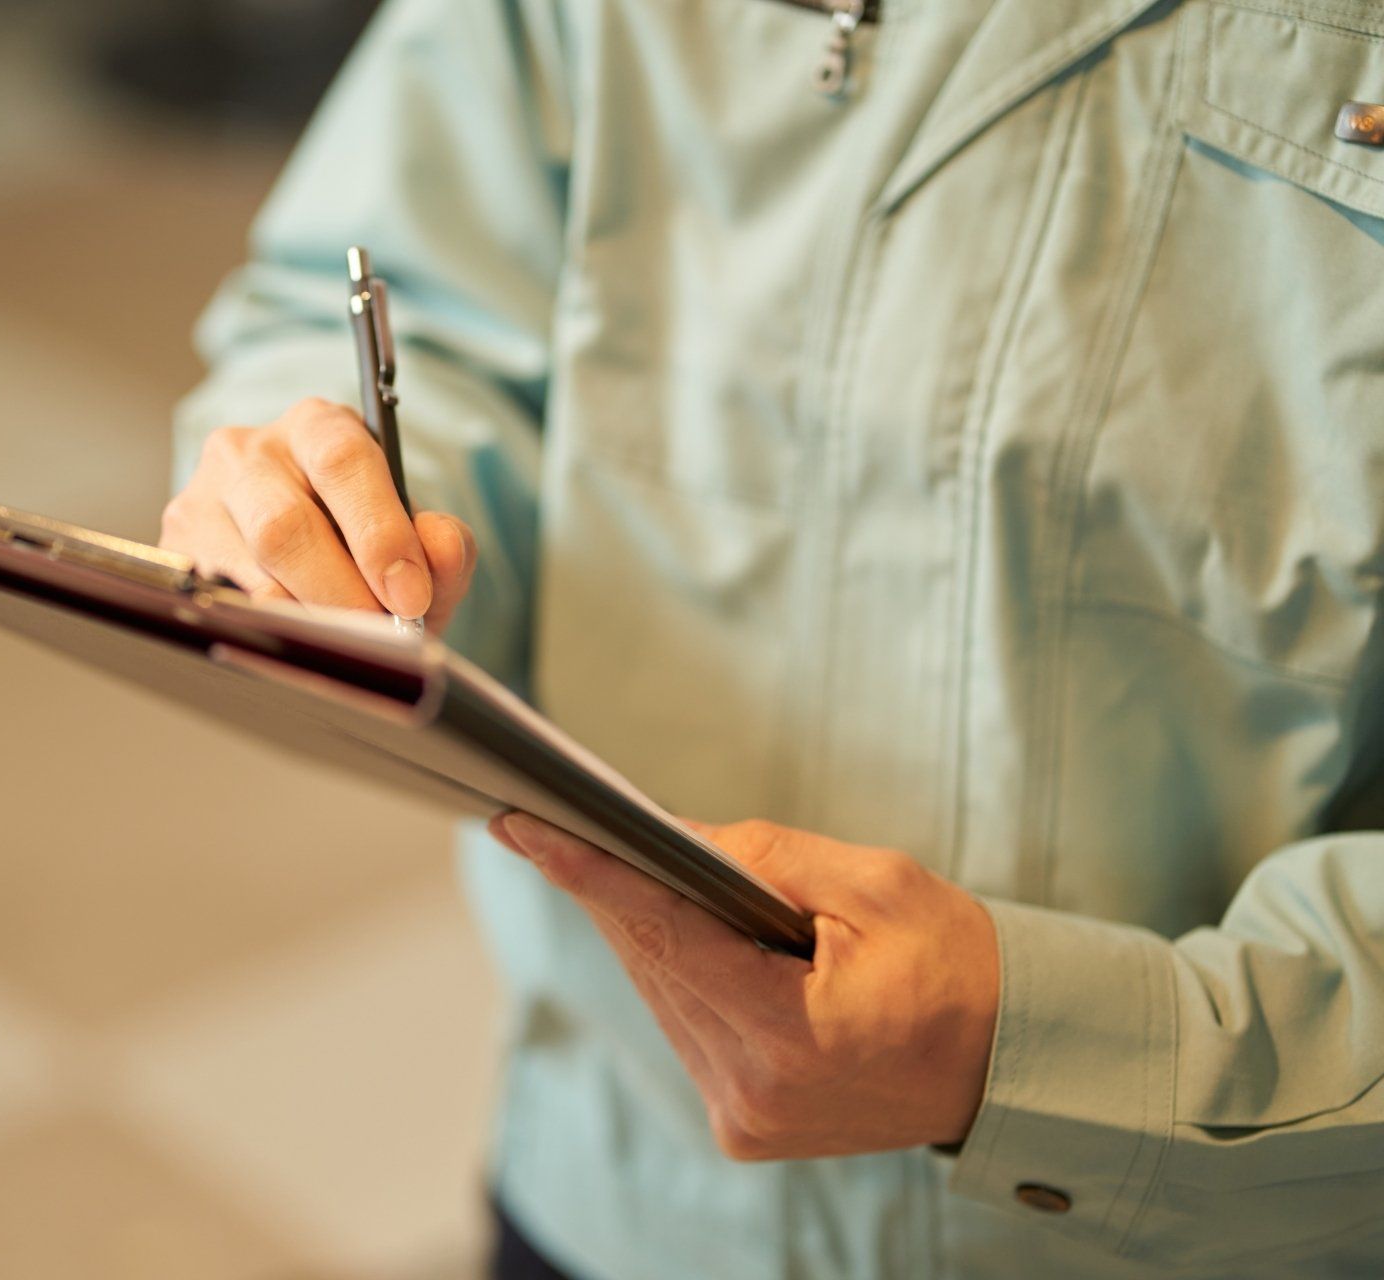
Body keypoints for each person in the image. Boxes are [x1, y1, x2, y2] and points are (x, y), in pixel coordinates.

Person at [162, 0, 1384, 1275]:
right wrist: (328, 495)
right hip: (623, 1169)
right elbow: (390, 287)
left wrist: (1075, 1051)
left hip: (1217, 1230)